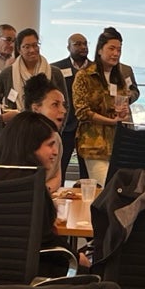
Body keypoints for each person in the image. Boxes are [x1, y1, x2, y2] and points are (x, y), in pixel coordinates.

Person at [0, 112, 90, 272]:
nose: (55, 151)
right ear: (30, 146)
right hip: (33, 272)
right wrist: (78, 257)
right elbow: (47, 241)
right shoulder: (31, 187)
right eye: (50, 145)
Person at [72, 27, 130, 186]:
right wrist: (110, 121)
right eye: (111, 48)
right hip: (94, 144)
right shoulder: (84, 76)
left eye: (119, 50)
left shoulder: (119, 78)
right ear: (99, 50)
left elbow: (124, 109)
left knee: (118, 188)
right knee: (105, 186)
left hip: (116, 144)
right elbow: (82, 111)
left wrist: (123, 113)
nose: (116, 53)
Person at [51, 33, 91, 181]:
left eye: (85, 43)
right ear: (68, 47)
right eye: (78, 44)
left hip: (87, 127)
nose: (83, 47)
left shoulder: (95, 69)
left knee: (87, 174)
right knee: (59, 167)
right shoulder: (56, 68)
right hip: (66, 125)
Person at [0, 28, 67, 111]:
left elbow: (65, 104)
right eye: (27, 47)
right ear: (19, 50)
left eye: (35, 45)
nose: (32, 50)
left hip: (49, 119)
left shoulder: (55, 73)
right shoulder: (7, 74)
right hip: (17, 119)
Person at [24, 73, 67, 194]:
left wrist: (43, 194)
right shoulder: (21, 137)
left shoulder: (56, 137)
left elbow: (57, 177)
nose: (63, 110)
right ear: (36, 109)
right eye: (55, 105)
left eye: (63, 105)